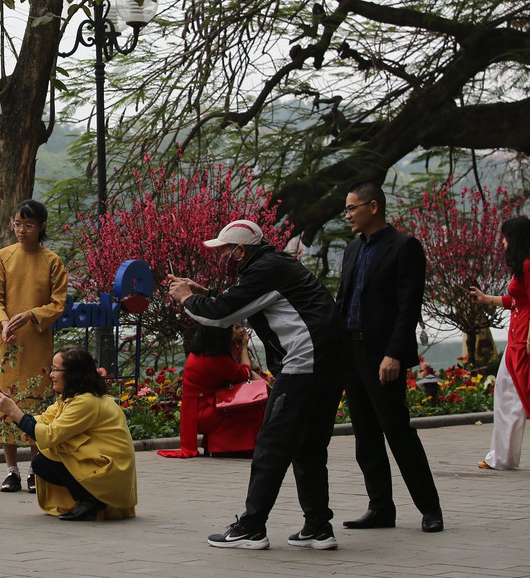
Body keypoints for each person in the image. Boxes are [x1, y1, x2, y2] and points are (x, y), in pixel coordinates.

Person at [168, 219, 347, 551]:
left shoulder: (265, 270)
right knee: (308, 446)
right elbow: (242, 304)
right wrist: (202, 293)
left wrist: (185, 298)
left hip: (304, 365)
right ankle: (318, 527)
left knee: (270, 445)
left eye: (225, 250)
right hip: (329, 364)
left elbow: (220, 316)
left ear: (241, 250)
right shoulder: (275, 266)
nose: (223, 257)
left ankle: (252, 527)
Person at [337, 181, 444, 533]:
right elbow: (344, 300)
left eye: (352, 208)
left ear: (373, 207)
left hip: (382, 354)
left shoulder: (404, 247)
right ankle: (380, 507)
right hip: (351, 352)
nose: (347, 214)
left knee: (397, 431)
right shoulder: (353, 250)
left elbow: (408, 306)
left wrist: (394, 353)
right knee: (365, 435)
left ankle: (430, 509)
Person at [0, 199, 68, 493]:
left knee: (37, 404)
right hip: (5, 343)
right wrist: (3, 324)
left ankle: (35, 468)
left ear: (41, 227)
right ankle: (11, 470)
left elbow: (58, 303)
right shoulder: (3, 258)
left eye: (28, 225)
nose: (21, 230)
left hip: (37, 344)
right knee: (5, 401)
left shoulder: (52, 261)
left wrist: (33, 315)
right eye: (17, 223)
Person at [0, 345, 137, 520]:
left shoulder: (86, 402)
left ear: (72, 373)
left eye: (56, 370)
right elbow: (43, 421)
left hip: (110, 472)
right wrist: (12, 409)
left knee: (48, 455)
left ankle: (92, 501)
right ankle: (89, 499)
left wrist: (15, 413)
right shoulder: (73, 398)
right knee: (44, 460)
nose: (51, 375)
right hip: (104, 465)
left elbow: (49, 435)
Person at [468, 216, 530, 470]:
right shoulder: (523, 266)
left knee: (515, 397)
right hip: (517, 337)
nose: (502, 242)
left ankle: (502, 458)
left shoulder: (528, 266)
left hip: (524, 339)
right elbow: (515, 300)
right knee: (507, 395)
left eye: (505, 236)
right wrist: (486, 299)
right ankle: (501, 457)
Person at [157, 324, 265, 458]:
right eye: (235, 328)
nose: (242, 330)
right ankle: (238, 448)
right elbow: (244, 373)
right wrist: (243, 347)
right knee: (250, 405)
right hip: (203, 413)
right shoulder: (215, 359)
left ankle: (237, 447)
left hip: (203, 407)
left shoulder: (204, 352)